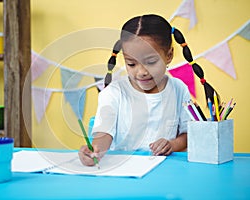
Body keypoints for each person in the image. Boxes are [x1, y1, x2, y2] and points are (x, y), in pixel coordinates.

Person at [78, 14, 218, 166]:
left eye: (151, 62)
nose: (141, 72)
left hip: (166, 169)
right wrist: (96, 149)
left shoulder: (178, 89)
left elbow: (188, 133)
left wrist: (172, 144)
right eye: (131, 64)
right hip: (124, 169)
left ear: (169, 55)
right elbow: (104, 133)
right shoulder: (113, 92)